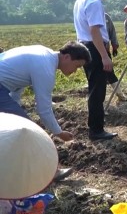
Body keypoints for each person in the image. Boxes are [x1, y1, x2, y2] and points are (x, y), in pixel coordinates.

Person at [0, 41, 92, 181]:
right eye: (77, 66)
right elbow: (44, 110)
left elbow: (16, 82)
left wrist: (16, 107)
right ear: (67, 57)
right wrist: (58, 132)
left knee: (13, 128)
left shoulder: (42, 54)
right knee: (28, 131)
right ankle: (50, 172)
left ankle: (10, 168)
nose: (75, 71)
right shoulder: (46, 68)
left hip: (3, 89)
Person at [74, 0, 120, 141]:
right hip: (94, 47)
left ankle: (96, 127)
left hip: (87, 46)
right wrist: (104, 56)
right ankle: (96, 130)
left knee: (95, 88)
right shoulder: (94, 2)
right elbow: (94, 31)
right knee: (97, 90)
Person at [104, 13, 127, 102]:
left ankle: (120, 94)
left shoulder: (106, 17)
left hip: (105, 51)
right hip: (93, 52)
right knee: (98, 77)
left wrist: (114, 46)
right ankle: (100, 102)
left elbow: (112, 32)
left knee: (110, 73)